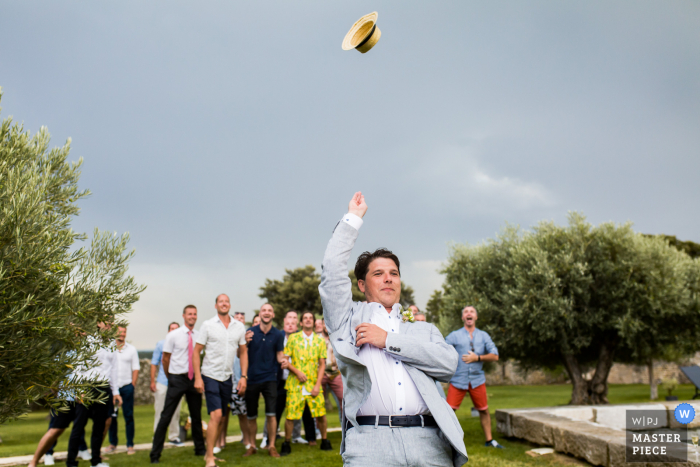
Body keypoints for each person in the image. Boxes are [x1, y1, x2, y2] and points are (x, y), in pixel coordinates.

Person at [319, 192, 467, 467]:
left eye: (394, 273)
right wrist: (353, 218)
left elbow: (448, 366)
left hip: (429, 443)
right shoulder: (347, 319)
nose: (388, 278)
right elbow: (331, 273)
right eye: (378, 273)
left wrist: (387, 340)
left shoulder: (423, 329)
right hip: (370, 444)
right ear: (362, 285)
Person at [193, 294, 248, 467]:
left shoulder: (239, 327)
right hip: (210, 376)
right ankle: (209, 458)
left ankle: (210, 453)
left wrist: (244, 377)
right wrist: (197, 377)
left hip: (227, 377)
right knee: (216, 415)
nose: (224, 304)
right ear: (216, 305)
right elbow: (196, 352)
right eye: (220, 301)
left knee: (222, 417)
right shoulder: (207, 325)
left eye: (226, 301)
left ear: (229, 305)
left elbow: (244, 352)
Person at [150, 305, 206, 464]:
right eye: (189, 314)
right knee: (166, 416)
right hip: (177, 379)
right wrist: (170, 377)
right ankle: (155, 455)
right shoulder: (173, 335)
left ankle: (200, 449)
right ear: (184, 316)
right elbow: (165, 359)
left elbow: (199, 358)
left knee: (196, 416)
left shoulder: (199, 336)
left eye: (195, 314)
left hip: (193, 379)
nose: (192, 316)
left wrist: (198, 377)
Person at [445, 306, 503, 449]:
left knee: (483, 410)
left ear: (476, 317)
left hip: (477, 380)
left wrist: (477, 358)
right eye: (466, 312)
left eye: (472, 312)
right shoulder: (454, 335)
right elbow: (441, 349)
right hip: (458, 379)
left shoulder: (484, 336)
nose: (469, 313)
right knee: (448, 412)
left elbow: (495, 355)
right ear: (463, 318)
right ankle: (445, 442)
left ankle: (489, 440)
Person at [66, 322, 122, 467]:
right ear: (98, 323)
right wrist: (79, 390)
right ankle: (71, 462)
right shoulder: (88, 341)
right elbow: (77, 365)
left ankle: (95, 462)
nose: (110, 325)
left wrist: (116, 392)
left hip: (104, 388)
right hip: (87, 387)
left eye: (111, 322)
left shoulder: (111, 344)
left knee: (99, 426)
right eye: (107, 321)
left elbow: (114, 369)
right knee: (79, 426)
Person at [279, 311, 332, 456]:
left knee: (320, 414)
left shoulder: (320, 341)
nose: (308, 320)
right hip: (295, 383)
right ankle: (286, 443)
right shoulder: (293, 338)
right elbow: (285, 360)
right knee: (290, 415)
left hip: (313, 383)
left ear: (314, 322)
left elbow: (322, 364)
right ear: (301, 323)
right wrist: (296, 371)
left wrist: (318, 385)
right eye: (305, 318)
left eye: (310, 318)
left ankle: (325, 441)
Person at [241, 303, 285, 458]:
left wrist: (285, 361)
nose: (266, 313)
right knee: (251, 416)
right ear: (259, 314)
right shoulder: (250, 332)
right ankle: (252, 445)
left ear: (273, 315)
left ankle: (271, 446)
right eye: (264, 310)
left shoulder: (278, 335)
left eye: (269, 311)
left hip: (270, 379)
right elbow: (241, 354)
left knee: (271, 415)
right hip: (252, 379)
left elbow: (279, 355)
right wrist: (244, 342)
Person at [216, 312, 249, 453]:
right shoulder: (226, 338)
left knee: (243, 413)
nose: (239, 321)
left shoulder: (247, 340)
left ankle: (247, 440)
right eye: (237, 319)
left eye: (242, 319)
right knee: (223, 414)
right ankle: (220, 441)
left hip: (239, 382)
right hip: (225, 381)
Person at [106, 326, 140, 455]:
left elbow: (135, 368)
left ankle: (130, 445)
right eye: (120, 331)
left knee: (128, 416)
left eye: (124, 331)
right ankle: (112, 443)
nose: (122, 334)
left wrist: (133, 384)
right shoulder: (109, 348)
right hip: (112, 387)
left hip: (126, 386)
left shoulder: (131, 349)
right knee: (112, 417)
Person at [151, 322, 182, 446]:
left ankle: (174, 436)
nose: (174, 331)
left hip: (177, 383)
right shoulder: (161, 344)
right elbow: (154, 363)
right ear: (168, 331)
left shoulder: (181, 345)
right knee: (159, 410)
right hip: (163, 382)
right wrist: (152, 381)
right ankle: (157, 437)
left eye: (176, 329)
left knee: (176, 411)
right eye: (172, 329)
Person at [320, 324, 343, 412]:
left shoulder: (337, 339)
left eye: (327, 323)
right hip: (321, 374)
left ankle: (345, 424)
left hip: (335, 374)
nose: (326, 326)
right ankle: (318, 426)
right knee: (319, 403)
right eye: (324, 324)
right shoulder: (317, 339)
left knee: (343, 400)